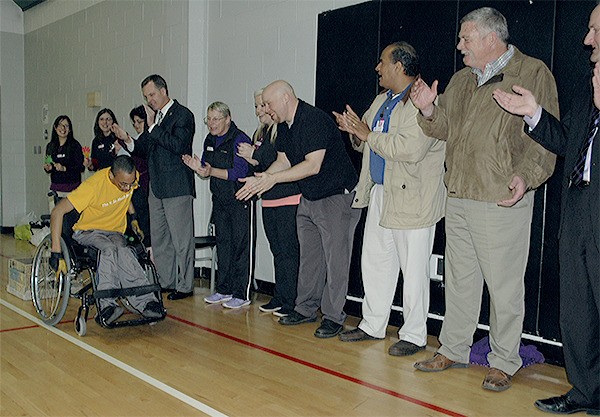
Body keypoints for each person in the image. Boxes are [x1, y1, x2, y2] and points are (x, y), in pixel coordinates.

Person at [409, 7, 558, 391]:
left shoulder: (532, 72)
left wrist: (527, 176)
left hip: (500, 196)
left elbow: (546, 137)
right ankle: (454, 348)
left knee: (504, 286)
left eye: (466, 38)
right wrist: (427, 108)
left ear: (492, 39)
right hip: (459, 193)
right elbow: (445, 129)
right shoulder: (461, 80)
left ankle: (505, 359)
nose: (460, 45)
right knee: (459, 282)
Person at [492, 4, 600, 413]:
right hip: (576, 216)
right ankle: (586, 393)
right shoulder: (587, 84)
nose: (586, 39)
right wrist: (534, 114)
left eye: (594, 30)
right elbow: (568, 139)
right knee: (578, 314)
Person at [333, 42, 446, 356]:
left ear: (399, 66)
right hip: (381, 193)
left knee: (413, 271)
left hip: (414, 200)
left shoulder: (424, 101)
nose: (377, 68)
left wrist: (366, 134)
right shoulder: (382, 99)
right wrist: (355, 132)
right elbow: (366, 142)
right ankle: (373, 324)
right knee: (375, 262)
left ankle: (413, 334)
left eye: (382, 62)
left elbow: (410, 149)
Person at [236, 80, 360, 338]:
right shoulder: (283, 127)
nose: (266, 109)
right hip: (310, 197)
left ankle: (334, 316)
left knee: (335, 260)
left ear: (285, 98)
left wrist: (271, 180)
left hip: (336, 196)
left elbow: (313, 165)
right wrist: (262, 179)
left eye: (268, 104)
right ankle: (305, 309)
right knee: (310, 258)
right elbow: (283, 161)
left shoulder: (314, 119)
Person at [49, 155, 163, 325]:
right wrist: (56, 252)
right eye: (123, 184)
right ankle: (106, 305)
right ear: (112, 175)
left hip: (114, 231)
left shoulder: (131, 178)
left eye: (131, 184)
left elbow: (126, 197)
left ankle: (146, 301)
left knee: (125, 251)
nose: (128, 187)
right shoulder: (93, 186)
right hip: (88, 231)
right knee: (108, 249)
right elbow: (57, 211)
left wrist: (133, 217)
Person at [112, 74, 196, 301]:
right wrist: (127, 139)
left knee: (181, 240)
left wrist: (152, 126)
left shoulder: (183, 115)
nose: (149, 100)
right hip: (156, 187)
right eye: (146, 96)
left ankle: (185, 284)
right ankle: (166, 281)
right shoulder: (155, 119)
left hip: (177, 186)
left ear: (163, 90)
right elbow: (143, 149)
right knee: (160, 240)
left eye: (151, 95)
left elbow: (178, 145)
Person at [183, 102, 253, 309]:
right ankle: (224, 289)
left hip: (239, 199)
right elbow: (207, 167)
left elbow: (239, 173)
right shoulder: (209, 139)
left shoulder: (239, 139)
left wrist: (210, 171)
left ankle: (241, 293)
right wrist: (199, 168)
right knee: (223, 244)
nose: (211, 124)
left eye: (215, 119)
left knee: (240, 246)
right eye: (208, 119)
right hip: (220, 200)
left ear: (227, 119)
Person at [237, 89, 301, 317]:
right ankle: (280, 295)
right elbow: (260, 167)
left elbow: (281, 161)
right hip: (269, 197)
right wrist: (251, 159)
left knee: (288, 251)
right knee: (277, 250)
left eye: (263, 105)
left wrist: (255, 154)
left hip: (287, 195)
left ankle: (291, 300)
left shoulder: (281, 129)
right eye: (256, 106)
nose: (260, 110)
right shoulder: (260, 132)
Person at [44, 115, 84, 213]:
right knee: (56, 220)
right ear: (55, 127)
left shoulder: (75, 146)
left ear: (70, 129)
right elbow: (48, 163)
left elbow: (80, 167)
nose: (63, 128)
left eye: (66, 125)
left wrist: (64, 168)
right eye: (60, 125)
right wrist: (48, 167)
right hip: (56, 188)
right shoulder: (50, 146)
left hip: (72, 190)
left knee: (70, 222)